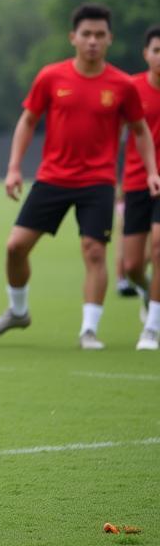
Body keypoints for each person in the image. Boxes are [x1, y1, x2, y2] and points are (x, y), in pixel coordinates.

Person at [0, 4, 160, 349]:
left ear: (110, 39)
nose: (92, 41)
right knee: (15, 247)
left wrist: (152, 171)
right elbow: (28, 121)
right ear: (73, 38)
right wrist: (14, 167)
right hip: (53, 178)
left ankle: (88, 331)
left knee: (94, 252)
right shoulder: (51, 77)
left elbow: (140, 131)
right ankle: (18, 311)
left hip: (98, 182)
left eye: (99, 35)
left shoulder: (122, 85)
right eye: (86, 34)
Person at [121, 25, 160, 350]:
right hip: (135, 181)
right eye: (157, 51)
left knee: (159, 247)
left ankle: (152, 328)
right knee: (133, 266)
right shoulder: (130, 88)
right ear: (146, 54)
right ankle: (147, 292)